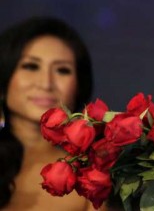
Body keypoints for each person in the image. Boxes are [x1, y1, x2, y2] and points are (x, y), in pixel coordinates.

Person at [0, 16, 95, 210]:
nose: (46, 84)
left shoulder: (90, 178)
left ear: (79, 86)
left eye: (62, 70)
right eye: (31, 66)